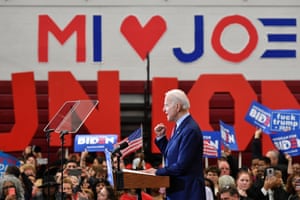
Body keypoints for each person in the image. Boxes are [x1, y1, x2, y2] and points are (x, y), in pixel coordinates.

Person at [145, 89, 206, 200]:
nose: (164, 110)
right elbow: (173, 156)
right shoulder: (180, 127)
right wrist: (161, 138)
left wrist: (157, 171)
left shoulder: (190, 130)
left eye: (166, 106)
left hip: (187, 193)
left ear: (177, 107)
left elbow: (181, 166)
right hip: (178, 192)